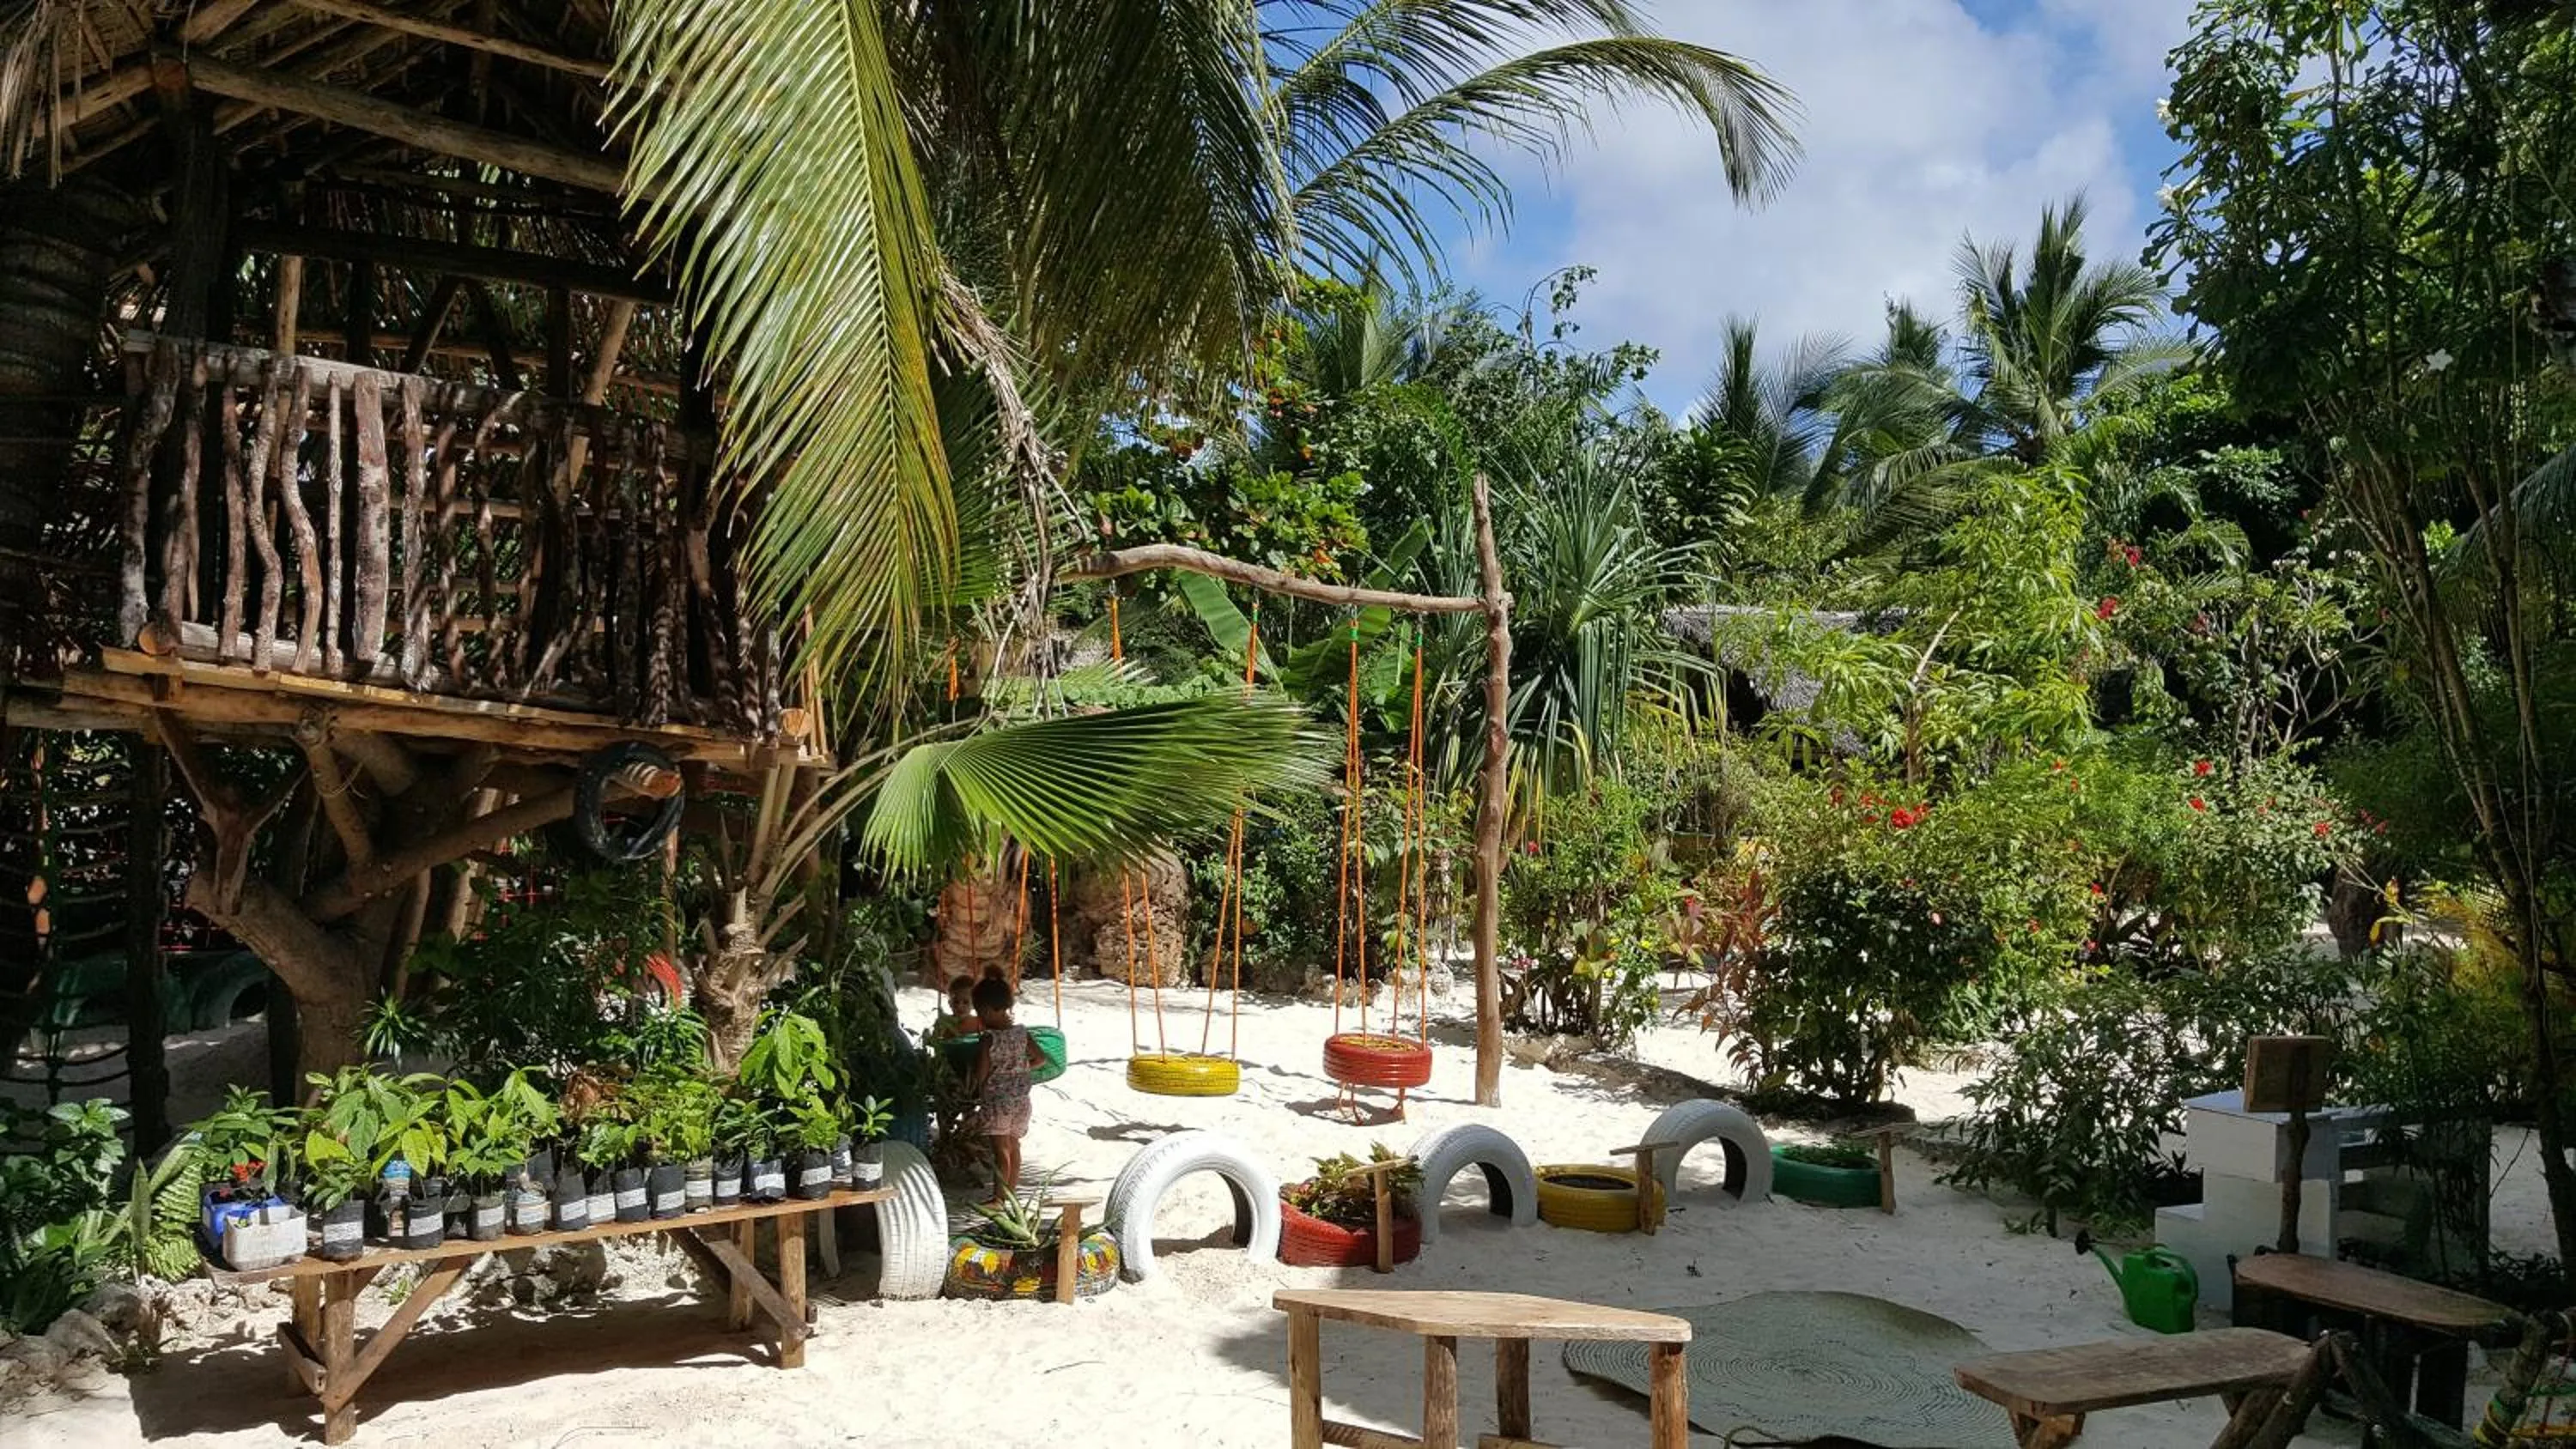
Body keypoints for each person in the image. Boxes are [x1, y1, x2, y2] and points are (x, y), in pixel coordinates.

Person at [966, 974, 1032, 1197]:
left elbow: (981, 1075)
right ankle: (1010, 1195)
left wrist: (975, 1090)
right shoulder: (1022, 1033)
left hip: (998, 1103)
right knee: (1014, 1147)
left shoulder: (989, 1039)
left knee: (1000, 1151)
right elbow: (1040, 1058)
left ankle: (998, 1198)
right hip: (1022, 1102)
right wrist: (1019, 1069)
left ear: (985, 1011)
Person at [927, 976, 978, 1046]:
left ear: (974, 1004)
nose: (960, 1006)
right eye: (956, 1002)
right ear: (950, 1003)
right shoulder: (943, 1022)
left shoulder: (977, 1023)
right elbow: (934, 1043)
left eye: (966, 1002)